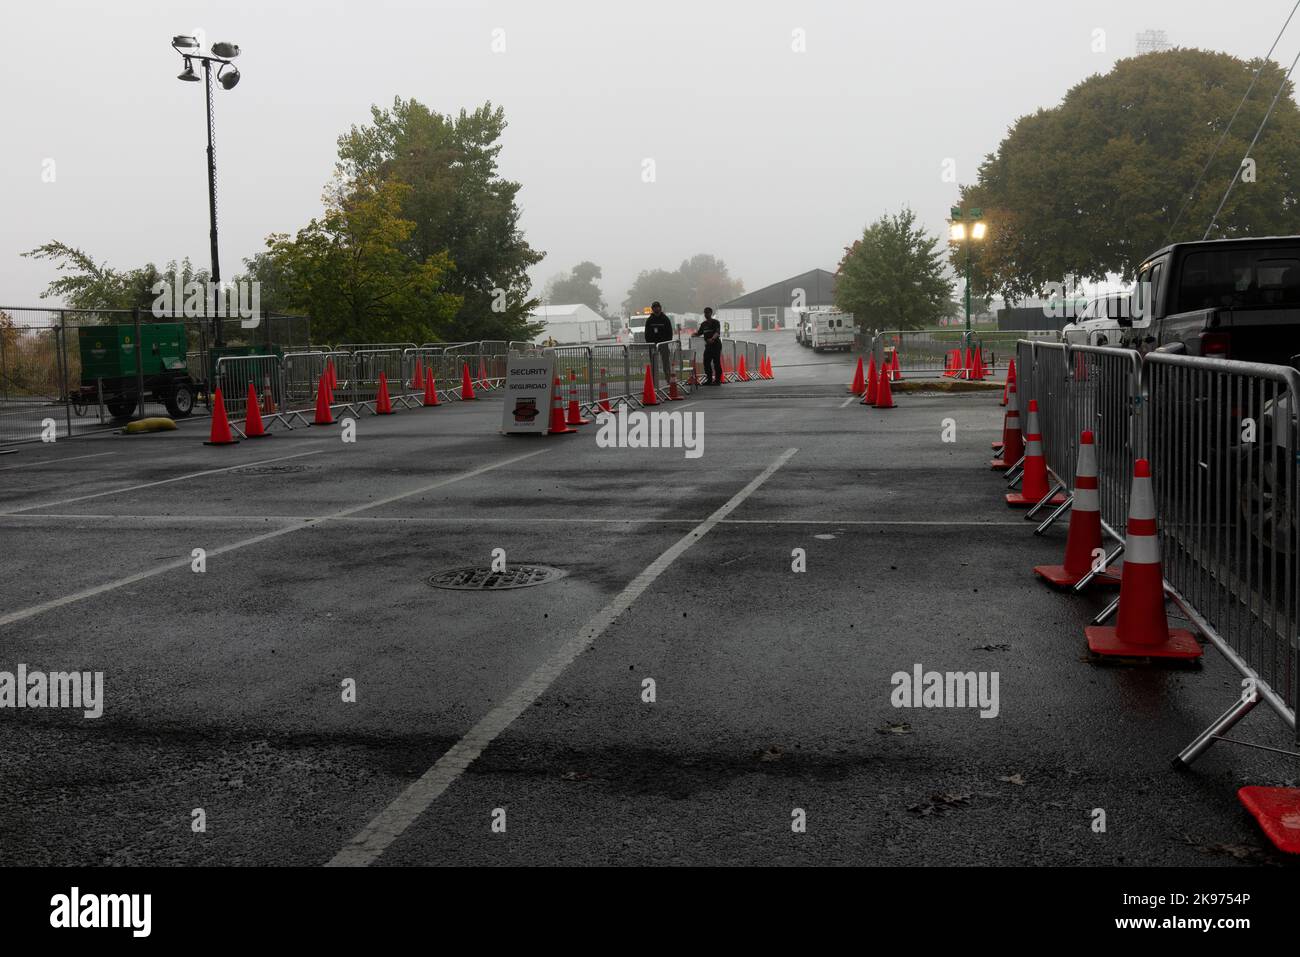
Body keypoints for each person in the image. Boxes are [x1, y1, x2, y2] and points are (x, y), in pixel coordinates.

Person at [643, 301, 676, 391]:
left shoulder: (665, 319)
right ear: (652, 308)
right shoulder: (650, 320)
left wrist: (666, 342)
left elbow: (670, 332)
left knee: (666, 363)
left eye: (658, 307)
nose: (656, 308)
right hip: (653, 345)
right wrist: (650, 343)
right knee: (653, 364)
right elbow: (647, 333)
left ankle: (669, 380)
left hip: (663, 345)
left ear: (660, 308)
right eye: (654, 307)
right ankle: (654, 382)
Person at [692, 306, 723, 385]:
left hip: (716, 345)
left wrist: (712, 339)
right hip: (708, 346)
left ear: (711, 313)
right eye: (705, 313)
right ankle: (709, 379)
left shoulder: (716, 322)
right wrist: (694, 334)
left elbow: (717, 332)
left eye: (707, 312)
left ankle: (717, 380)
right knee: (706, 362)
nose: (706, 314)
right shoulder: (703, 324)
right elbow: (699, 333)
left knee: (716, 363)